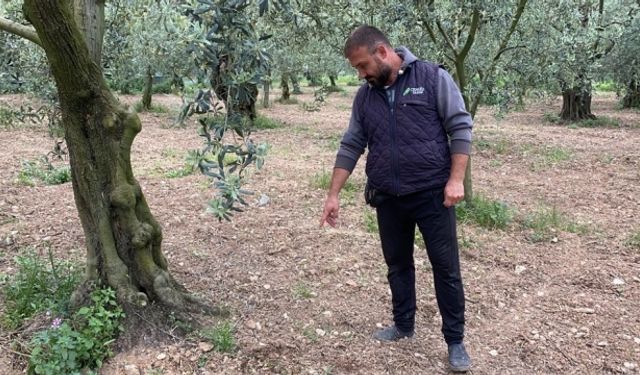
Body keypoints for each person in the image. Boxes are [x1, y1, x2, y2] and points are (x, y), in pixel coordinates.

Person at [319, 25, 473, 373]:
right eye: (357, 69)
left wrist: (456, 180)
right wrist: (333, 195)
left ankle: (455, 341)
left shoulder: (432, 77)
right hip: (388, 197)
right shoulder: (365, 96)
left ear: (383, 52)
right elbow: (351, 144)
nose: (361, 74)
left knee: (446, 269)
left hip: (433, 194)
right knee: (397, 265)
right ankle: (403, 325)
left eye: (362, 66)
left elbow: (460, 126)